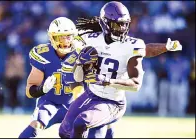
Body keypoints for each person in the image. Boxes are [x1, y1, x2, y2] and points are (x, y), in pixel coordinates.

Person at [59, 1, 182, 138]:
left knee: (82, 122)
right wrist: (78, 62)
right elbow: (70, 47)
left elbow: (136, 84)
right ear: (105, 23)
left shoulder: (131, 46)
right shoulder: (90, 38)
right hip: (90, 94)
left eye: (125, 24)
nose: (122, 28)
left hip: (113, 101)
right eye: (118, 24)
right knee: (64, 131)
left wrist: (106, 80)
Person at [18, 17, 78, 138]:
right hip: (49, 103)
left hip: (75, 104)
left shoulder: (81, 53)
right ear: (52, 37)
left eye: (69, 36)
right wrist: (42, 89)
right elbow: (29, 92)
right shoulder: (43, 54)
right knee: (36, 124)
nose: (66, 41)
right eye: (61, 36)